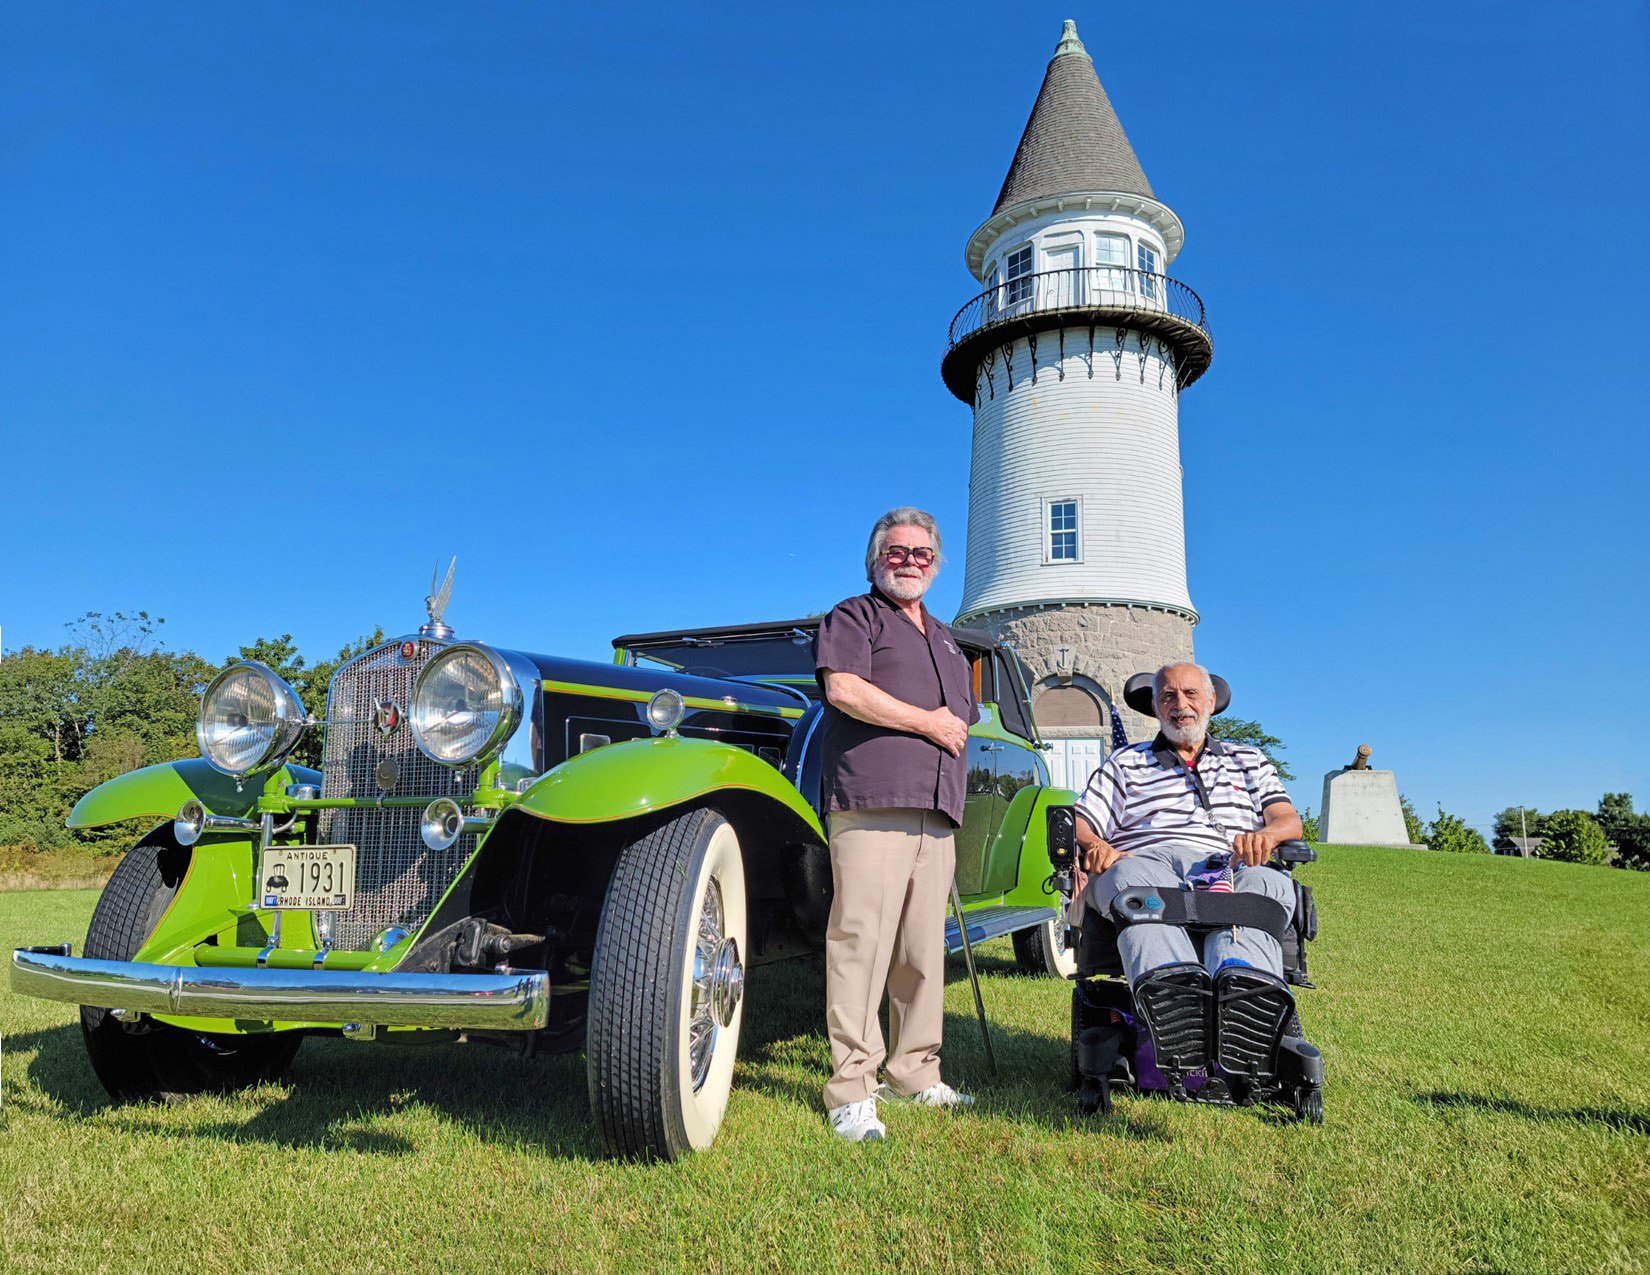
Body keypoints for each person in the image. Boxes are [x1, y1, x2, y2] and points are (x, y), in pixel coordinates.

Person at [813, 506, 979, 1143]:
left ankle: (915, 1070)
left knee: (919, 950)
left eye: (922, 554)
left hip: (937, 809)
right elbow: (845, 691)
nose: (909, 561)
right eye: (897, 551)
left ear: (936, 564)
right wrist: (928, 722)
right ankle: (852, 1088)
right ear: (875, 558)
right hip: (873, 800)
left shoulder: (945, 637)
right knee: (861, 943)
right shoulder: (855, 616)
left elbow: (962, 720)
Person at [1073, 661, 1303, 999]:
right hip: (1148, 862)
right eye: (1168, 696)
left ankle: (1241, 993)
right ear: (1155, 707)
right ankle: (1175, 995)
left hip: (1231, 865)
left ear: (1210, 702)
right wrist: (1094, 843)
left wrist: (1266, 836)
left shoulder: (1248, 760)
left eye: (1190, 693)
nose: (1180, 705)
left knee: (1269, 882)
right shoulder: (1125, 762)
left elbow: (1287, 818)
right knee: (1129, 879)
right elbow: (1081, 819)